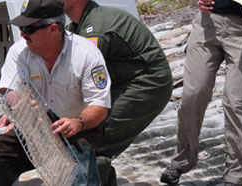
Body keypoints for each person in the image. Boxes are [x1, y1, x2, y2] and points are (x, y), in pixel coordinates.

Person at [0, 0, 111, 184]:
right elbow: (9, 90)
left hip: (76, 126)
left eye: (29, 29)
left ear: (53, 29)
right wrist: (20, 109)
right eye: (21, 28)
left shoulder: (87, 53)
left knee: (79, 172)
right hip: (35, 122)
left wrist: (77, 122)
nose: (23, 34)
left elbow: (99, 106)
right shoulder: (19, 52)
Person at [61, 0, 174, 185]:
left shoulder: (96, 28)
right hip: (121, 82)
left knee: (91, 141)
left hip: (145, 85)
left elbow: (77, 75)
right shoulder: (78, 24)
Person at [161, 0, 242, 185]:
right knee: (192, 94)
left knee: (236, 102)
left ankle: (236, 174)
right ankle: (181, 161)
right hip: (206, 24)